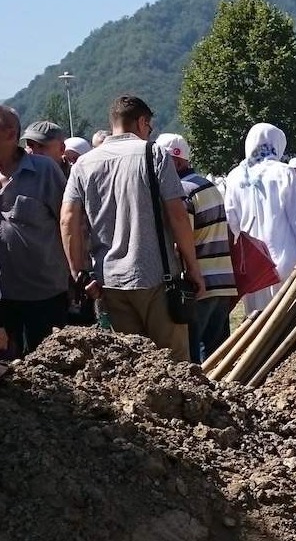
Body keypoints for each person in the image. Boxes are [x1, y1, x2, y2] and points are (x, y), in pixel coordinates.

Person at [61, 95, 204, 362]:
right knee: (174, 365)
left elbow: (68, 218)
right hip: (156, 279)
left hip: (110, 282)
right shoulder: (154, 154)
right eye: (148, 127)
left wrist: (79, 272)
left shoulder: (84, 163)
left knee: (130, 367)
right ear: (142, 121)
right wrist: (193, 268)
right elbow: (178, 216)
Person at [155, 133, 234, 364]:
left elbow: (182, 238)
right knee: (218, 352)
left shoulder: (182, 191)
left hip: (199, 284)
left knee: (195, 353)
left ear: (176, 162)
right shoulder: (207, 186)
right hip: (221, 280)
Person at [0, 105, 70, 357]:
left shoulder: (44, 170)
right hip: (3, 295)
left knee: (48, 366)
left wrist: (77, 272)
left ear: (9, 134)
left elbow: (69, 223)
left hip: (44, 293)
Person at [225, 123, 296, 312]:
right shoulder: (284, 172)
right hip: (285, 258)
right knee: (286, 317)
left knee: (256, 320)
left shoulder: (234, 176)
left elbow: (232, 223)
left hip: (254, 263)